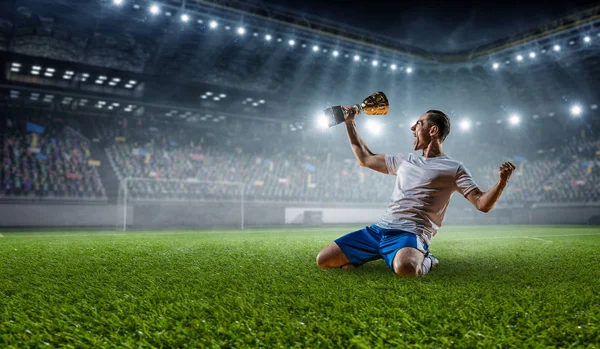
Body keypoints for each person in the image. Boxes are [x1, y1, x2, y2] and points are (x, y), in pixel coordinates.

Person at [316, 107, 515, 276]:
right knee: (323, 260)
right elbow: (365, 158)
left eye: (419, 124)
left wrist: (502, 182)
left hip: (410, 233)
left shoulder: (454, 168)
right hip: (379, 230)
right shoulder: (405, 161)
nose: (412, 128)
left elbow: (482, 204)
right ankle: (377, 253)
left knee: (406, 269)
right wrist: (350, 122)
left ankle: (427, 258)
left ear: (433, 130)